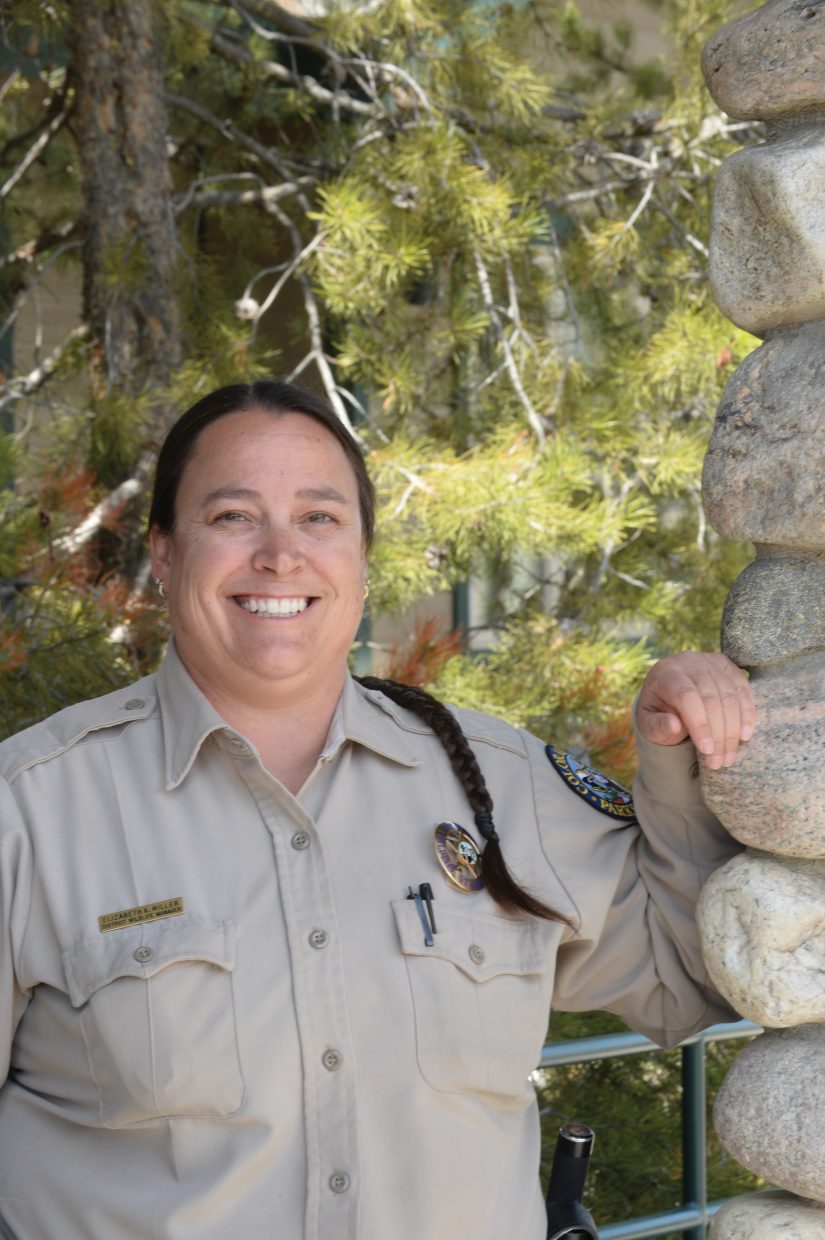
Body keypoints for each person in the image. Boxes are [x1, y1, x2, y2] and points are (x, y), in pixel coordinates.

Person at [0, 380, 754, 1240]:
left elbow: (687, 978)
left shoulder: (502, 786)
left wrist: (679, 755)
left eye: (318, 518)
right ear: (165, 553)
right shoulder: (31, 811)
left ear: (362, 557)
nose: (280, 555)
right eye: (233, 516)